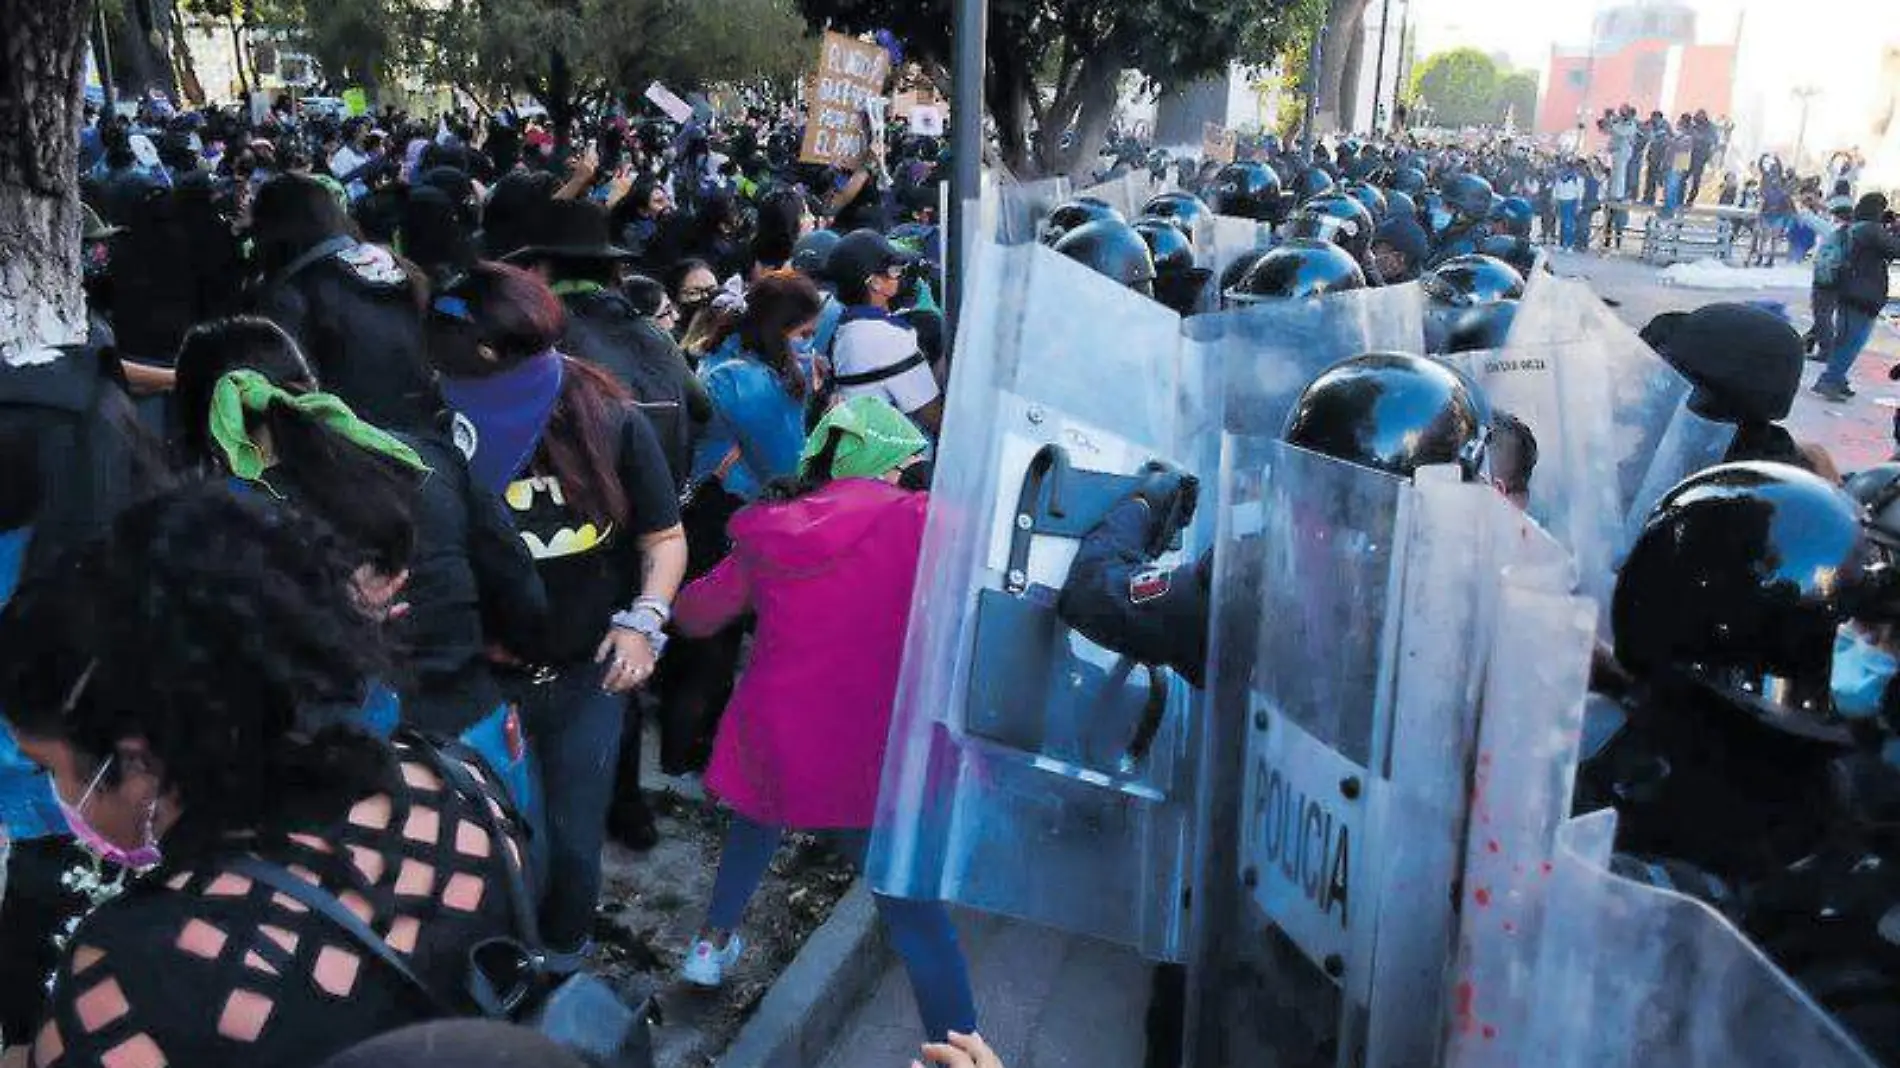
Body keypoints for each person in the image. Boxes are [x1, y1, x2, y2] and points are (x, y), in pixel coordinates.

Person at [0, 483, 530, 1068]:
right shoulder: (461, 792)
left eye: (48, 767)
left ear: (136, 760)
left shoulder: (134, 981)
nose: (60, 798)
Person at [673, 396, 976, 1041]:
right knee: (914, 911)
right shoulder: (931, 523)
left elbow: (699, 615)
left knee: (757, 820)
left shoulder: (769, 527)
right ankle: (958, 1045)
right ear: (886, 467)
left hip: (780, 732)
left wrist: (651, 600)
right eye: (905, 465)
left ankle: (709, 944)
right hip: (875, 749)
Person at [426, 263, 687, 950]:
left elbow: (664, 537)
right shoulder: (431, 423)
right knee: (490, 846)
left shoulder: (609, 416)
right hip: (477, 686)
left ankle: (561, 974)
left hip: (585, 678)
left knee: (573, 846)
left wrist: (644, 623)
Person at [169, 316, 550, 738]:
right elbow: (523, 599)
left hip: (339, 766)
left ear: (205, 428)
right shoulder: (428, 457)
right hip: (478, 742)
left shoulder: (222, 521)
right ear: (310, 383)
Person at [510, 198, 698, 489]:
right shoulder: (655, 333)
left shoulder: (536, 338)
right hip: (662, 510)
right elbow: (701, 408)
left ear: (541, 269)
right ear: (611, 268)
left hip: (584, 518)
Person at [247, 174, 441, 432]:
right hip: (424, 428)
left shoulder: (290, 294)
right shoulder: (391, 263)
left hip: (355, 442)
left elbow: (279, 391)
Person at [825, 230, 944, 434]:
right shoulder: (889, 337)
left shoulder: (844, 327)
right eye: (894, 270)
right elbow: (935, 419)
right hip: (896, 458)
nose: (900, 275)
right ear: (875, 282)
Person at [1813, 193, 1900, 403]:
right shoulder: (1871, 230)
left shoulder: (1855, 228)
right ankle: (1830, 380)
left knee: (1846, 338)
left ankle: (1837, 378)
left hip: (1849, 290)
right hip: (1863, 294)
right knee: (1852, 340)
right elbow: (1895, 250)